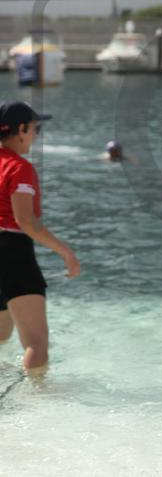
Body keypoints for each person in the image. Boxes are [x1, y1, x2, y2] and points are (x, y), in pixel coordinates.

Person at [0, 101, 81, 371]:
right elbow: (25, 221)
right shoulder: (19, 167)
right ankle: (35, 398)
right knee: (36, 344)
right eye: (36, 129)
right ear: (21, 129)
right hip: (11, 251)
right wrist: (66, 252)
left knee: (1, 334)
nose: (36, 135)